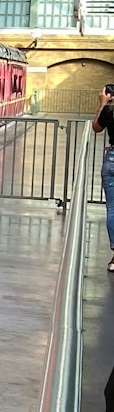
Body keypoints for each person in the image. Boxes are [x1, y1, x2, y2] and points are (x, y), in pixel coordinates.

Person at [96, 84, 114, 272]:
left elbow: (96, 127)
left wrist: (102, 105)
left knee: (112, 209)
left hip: (111, 159)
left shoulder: (108, 111)